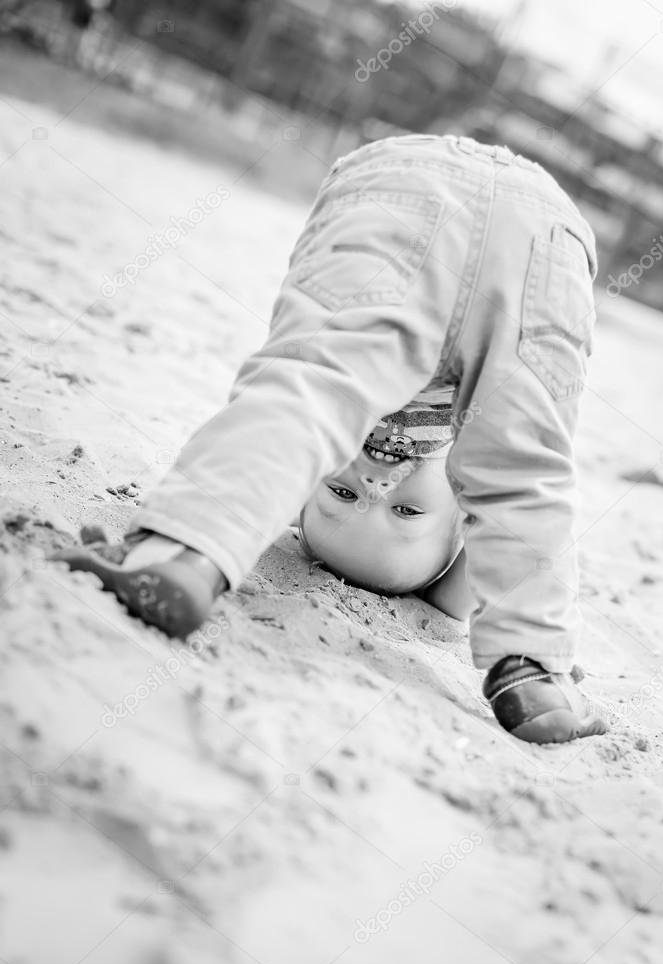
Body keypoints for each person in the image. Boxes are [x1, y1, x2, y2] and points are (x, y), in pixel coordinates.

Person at [54, 133, 608, 744]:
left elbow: (507, 510)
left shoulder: (413, 523)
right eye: (405, 510)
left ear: (296, 504)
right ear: (454, 541)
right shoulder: (451, 585)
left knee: (317, 393)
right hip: (478, 208)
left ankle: (535, 670)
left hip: (482, 207)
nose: (375, 482)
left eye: (339, 495)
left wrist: (539, 616)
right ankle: (533, 666)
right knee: (323, 395)